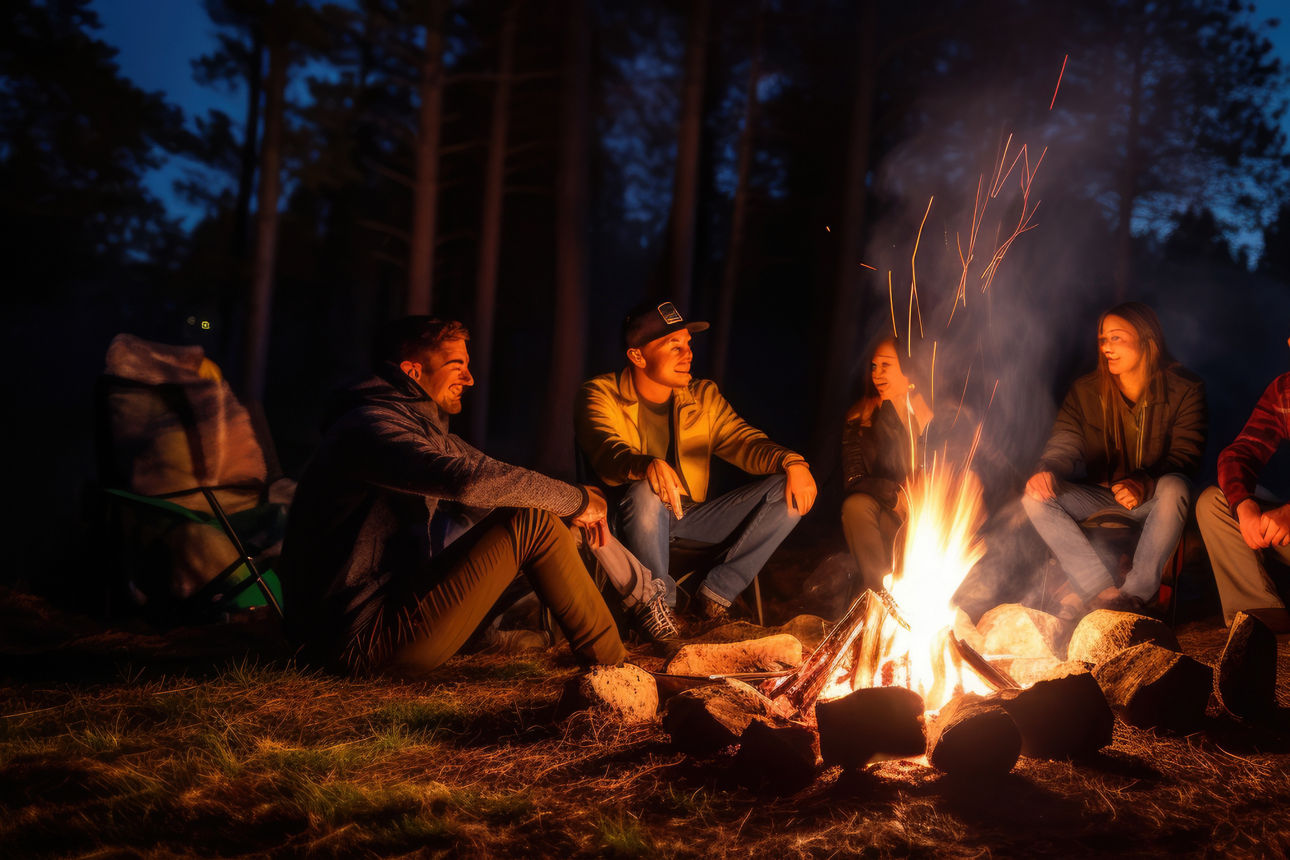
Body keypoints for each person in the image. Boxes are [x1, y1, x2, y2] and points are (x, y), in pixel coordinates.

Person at [281, 316, 634, 678]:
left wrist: (574, 500)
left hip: (394, 609)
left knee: (545, 513)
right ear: (413, 372)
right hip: (357, 639)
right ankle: (617, 670)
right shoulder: (371, 428)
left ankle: (586, 638)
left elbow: (491, 472)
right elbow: (469, 481)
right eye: (457, 366)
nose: (470, 378)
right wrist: (575, 500)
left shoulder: (416, 425)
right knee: (534, 522)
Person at [575, 299, 817, 624]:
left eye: (687, 344)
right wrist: (647, 464)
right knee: (648, 491)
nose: (687, 354)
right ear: (637, 355)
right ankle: (660, 610)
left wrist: (792, 462)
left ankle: (715, 598)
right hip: (626, 521)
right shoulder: (601, 394)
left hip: (689, 519)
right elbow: (608, 451)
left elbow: (743, 440)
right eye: (673, 346)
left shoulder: (702, 397)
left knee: (787, 491)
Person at [1022, 301, 1206, 616]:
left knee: (1176, 486)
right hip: (1101, 495)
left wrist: (1144, 482)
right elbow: (1064, 442)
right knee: (1035, 497)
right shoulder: (1085, 391)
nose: (1106, 346)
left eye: (1116, 337)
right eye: (1103, 339)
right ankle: (1101, 591)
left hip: (1154, 498)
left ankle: (1136, 595)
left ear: (1148, 340)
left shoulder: (1185, 390)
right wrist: (1049, 470)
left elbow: (1185, 455)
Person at [841, 336, 987, 599]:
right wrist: (896, 494)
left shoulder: (943, 414)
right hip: (893, 518)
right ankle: (882, 599)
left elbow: (964, 469)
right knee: (855, 507)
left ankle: (950, 600)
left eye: (886, 365)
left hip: (936, 521)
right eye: (873, 367)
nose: (877, 374)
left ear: (908, 368)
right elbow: (854, 478)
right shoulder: (860, 420)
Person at [1195, 349, 1290, 633]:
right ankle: (1259, 623)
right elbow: (1241, 453)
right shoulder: (1285, 390)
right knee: (1214, 502)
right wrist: (1243, 504)